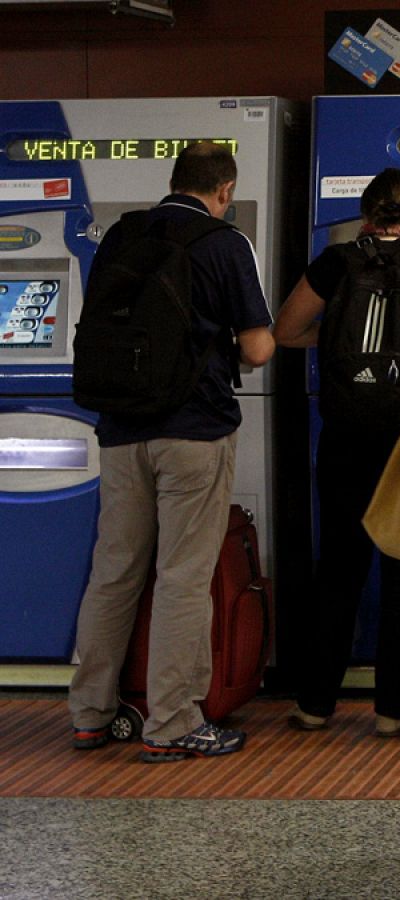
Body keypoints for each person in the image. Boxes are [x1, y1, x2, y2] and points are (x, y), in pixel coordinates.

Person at [67, 143, 275, 762]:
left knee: (114, 572)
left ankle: (90, 714)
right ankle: (172, 722)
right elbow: (260, 347)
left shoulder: (122, 234)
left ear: (173, 182)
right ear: (226, 190)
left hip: (120, 429)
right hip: (193, 431)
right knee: (183, 578)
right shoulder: (224, 243)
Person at [273, 169, 400, 737]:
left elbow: (286, 331)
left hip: (342, 437)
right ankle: (391, 710)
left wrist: (335, 338)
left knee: (338, 568)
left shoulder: (335, 261)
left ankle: (314, 705)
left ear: (366, 215)